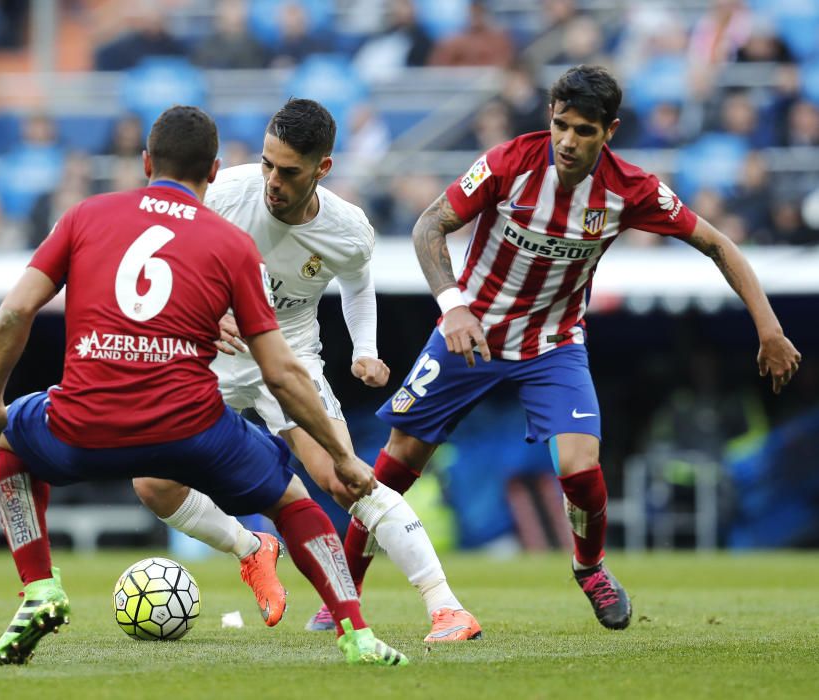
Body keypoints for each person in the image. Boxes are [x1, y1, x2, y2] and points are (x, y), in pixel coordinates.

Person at [340, 64, 802, 631]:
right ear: (549, 119)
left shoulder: (629, 189)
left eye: (584, 130)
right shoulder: (510, 162)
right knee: (394, 468)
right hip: (471, 332)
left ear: (609, 132)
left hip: (553, 344)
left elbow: (717, 243)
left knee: (581, 469)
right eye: (561, 124)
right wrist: (452, 305)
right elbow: (428, 225)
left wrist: (770, 328)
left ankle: (591, 569)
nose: (568, 140)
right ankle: (345, 593)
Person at [0, 105, 408, 668]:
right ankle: (355, 632)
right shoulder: (231, 242)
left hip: (83, 422)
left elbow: (14, 313)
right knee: (294, 500)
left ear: (145, 161)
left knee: (8, 443)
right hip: (188, 429)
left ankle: (39, 588)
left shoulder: (84, 216)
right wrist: (342, 454)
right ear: (215, 171)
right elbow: (281, 372)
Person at [132, 98, 481, 642]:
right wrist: (202, 308)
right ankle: (252, 549)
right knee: (153, 483)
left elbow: (357, 282)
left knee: (343, 477)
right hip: (211, 356)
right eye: (268, 163)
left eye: (288, 170)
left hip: (288, 356)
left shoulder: (348, 228)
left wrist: (362, 348)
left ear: (323, 169)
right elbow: (164, 251)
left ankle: (446, 606)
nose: (272, 179)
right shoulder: (224, 194)